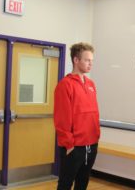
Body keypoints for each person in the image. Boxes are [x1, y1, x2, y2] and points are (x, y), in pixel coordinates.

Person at [54, 42, 100, 190]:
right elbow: (62, 118)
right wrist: (68, 144)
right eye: (87, 60)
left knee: (83, 182)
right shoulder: (65, 85)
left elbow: (94, 113)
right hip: (73, 146)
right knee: (66, 184)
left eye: (91, 60)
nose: (90, 64)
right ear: (76, 60)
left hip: (91, 144)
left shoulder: (91, 84)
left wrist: (96, 136)